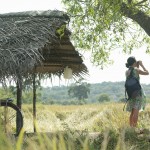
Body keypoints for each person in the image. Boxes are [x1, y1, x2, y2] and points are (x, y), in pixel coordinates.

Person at [125, 56, 149, 128]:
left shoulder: (127, 72)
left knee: (132, 112)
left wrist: (137, 65)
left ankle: (131, 128)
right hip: (138, 93)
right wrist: (141, 65)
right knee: (136, 112)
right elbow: (147, 73)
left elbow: (133, 73)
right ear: (134, 62)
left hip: (131, 93)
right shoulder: (137, 70)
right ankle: (134, 128)